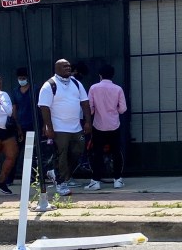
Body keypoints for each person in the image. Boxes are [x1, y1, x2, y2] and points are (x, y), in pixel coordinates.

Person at [38, 59, 92, 196]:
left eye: (68, 66)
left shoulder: (76, 83)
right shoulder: (49, 85)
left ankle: (56, 174)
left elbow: (85, 103)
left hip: (76, 127)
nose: (68, 68)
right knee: (61, 155)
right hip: (59, 127)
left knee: (78, 151)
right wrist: (49, 127)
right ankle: (61, 183)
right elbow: (44, 108)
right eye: (64, 66)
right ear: (56, 69)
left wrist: (88, 122)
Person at [84, 64, 127, 191]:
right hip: (114, 125)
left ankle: (95, 181)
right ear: (112, 75)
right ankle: (118, 180)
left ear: (100, 75)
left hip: (99, 125)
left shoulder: (93, 88)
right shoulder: (118, 89)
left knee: (97, 153)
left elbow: (90, 109)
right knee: (116, 152)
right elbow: (123, 109)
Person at [7, 67, 35, 185]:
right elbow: (14, 108)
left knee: (31, 153)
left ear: (27, 78)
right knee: (14, 153)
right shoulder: (15, 91)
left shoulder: (35, 90)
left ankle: (32, 178)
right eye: (20, 78)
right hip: (18, 126)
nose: (22, 80)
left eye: (23, 78)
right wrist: (17, 126)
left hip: (33, 125)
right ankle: (9, 178)